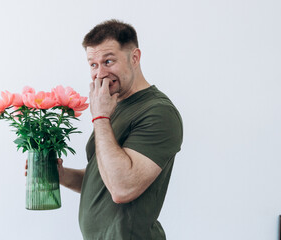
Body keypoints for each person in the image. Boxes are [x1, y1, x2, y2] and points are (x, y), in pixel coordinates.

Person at [27, 19, 183, 240]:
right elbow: (105, 179)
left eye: (108, 61)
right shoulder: (114, 104)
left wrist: (99, 117)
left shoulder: (158, 112)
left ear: (135, 58)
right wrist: (62, 175)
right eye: (93, 64)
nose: (99, 74)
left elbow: (122, 188)